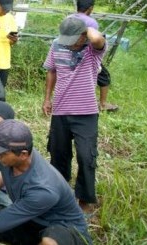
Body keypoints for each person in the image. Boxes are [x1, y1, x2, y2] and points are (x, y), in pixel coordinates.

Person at [0, 120, 92, 245]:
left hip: (64, 228)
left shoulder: (44, 189)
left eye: (2, 153)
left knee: (49, 241)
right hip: (31, 220)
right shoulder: (2, 153)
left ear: (23, 155)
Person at [43, 16, 106, 215]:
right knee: (58, 154)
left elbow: (97, 38)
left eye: (73, 39)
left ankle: (85, 200)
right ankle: (59, 194)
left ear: (83, 36)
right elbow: (51, 71)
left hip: (86, 113)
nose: (68, 45)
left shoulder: (93, 50)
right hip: (61, 110)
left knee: (86, 156)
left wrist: (83, 27)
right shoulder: (56, 45)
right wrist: (47, 99)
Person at [73, 0, 118, 112]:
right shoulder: (90, 22)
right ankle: (102, 104)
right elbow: (94, 41)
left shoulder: (69, 18)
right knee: (104, 77)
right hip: (86, 56)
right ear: (90, 8)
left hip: (68, 54)